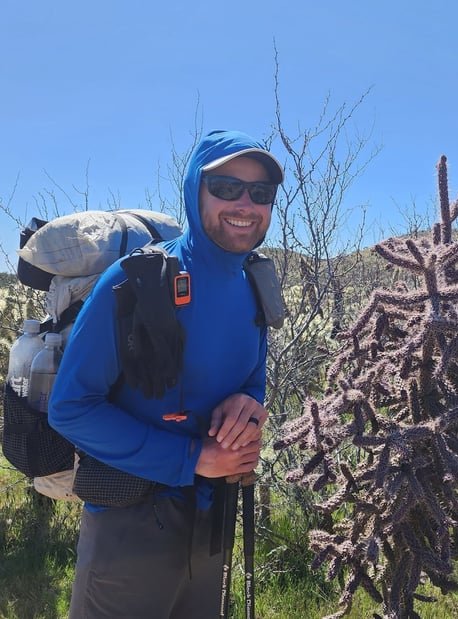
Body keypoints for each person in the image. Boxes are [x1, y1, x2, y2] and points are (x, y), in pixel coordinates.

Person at [49, 129, 284, 618]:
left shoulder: (255, 286)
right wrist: (193, 458)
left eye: (260, 193)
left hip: (211, 520)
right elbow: (71, 408)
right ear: (194, 189)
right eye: (225, 187)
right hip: (129, 525)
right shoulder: (136, 284)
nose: (245, 203)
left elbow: (252, 379)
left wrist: (250, 404)